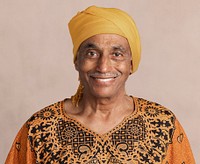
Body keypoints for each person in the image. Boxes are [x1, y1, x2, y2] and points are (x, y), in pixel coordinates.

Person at [5, 6, 195, 164]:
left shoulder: (163, 125)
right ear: (77, 61)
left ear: (131, 63)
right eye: (92, 53)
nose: (103, 66)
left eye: (117, 54)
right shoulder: (40, 128)